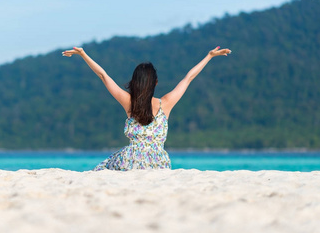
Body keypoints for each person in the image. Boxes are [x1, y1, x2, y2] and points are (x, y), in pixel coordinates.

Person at [62, 46, 232, 171]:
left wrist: (83, 54)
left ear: (134, 82)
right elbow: (188, 78)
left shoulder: (129, 102)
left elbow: (103, 76)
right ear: (155, 83)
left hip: (129, 160)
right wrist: (209, 56)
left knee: (101, 168)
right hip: (159, 164)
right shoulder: (165, 103)